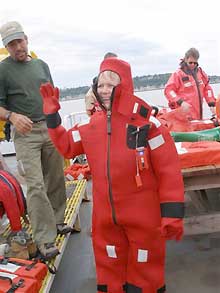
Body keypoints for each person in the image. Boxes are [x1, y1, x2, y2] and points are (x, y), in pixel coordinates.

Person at [40, 57, 184, 293]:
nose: (105, 89)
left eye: (111, 83)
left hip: (144, 219)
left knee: (145, 270)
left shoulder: (149, 126)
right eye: (101, 84)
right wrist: (52, 117)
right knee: (110, 268)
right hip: (106, 221)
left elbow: (169, 171)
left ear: (125, 85)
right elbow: (66, 144)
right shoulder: (91, 127)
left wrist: (172, 214)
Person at [0, 21, 71, 260]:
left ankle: (59, 220)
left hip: (49, 128)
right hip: (25, 134)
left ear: (26, 39)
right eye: (11, 44)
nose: (17, 47)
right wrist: (12, 116)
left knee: (56, 177)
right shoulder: (3, 70)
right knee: (36, 185)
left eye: (19, 41)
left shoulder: (42, 65)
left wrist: (56, 118)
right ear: (6, 46)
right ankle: (44, 238)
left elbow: (50, 95)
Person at [164, 47, 216, 120]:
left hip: (198, 115)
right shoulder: (178, 74)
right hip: (184, 116)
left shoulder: (201, 73)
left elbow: (207, 89)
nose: (193, 65)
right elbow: (169, 91)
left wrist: (212, 104)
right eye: (190, 62)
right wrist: (180, 102)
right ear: (185, 60)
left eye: (195, 63)